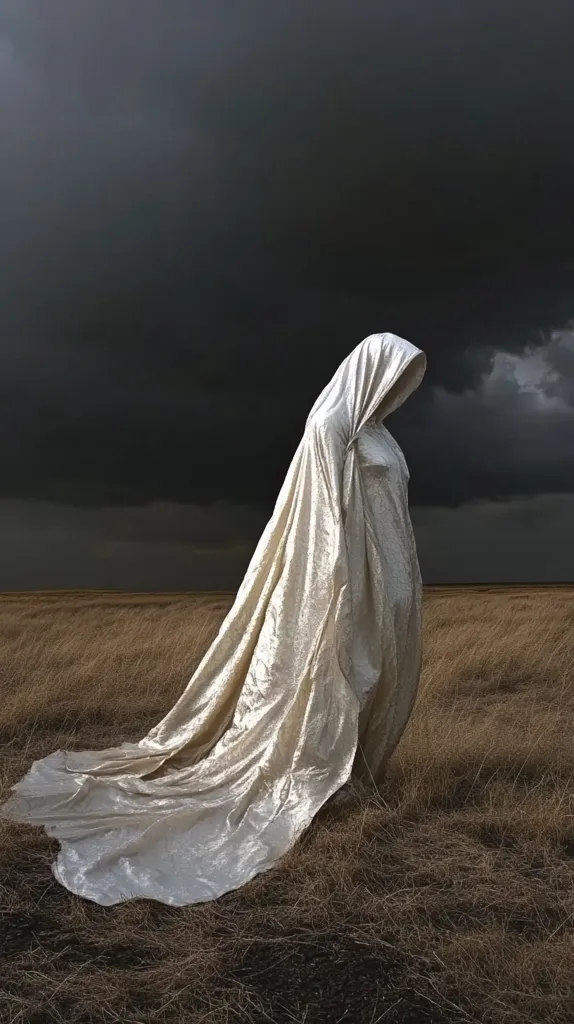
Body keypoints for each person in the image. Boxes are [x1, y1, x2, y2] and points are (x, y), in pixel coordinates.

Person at [0, 332, 426, 906]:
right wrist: (341, 591)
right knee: (340, 676)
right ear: (368, 368)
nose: (400, 386)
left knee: (378, 678)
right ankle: (307, 779)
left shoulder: (379, 434)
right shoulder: (331, 428)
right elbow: (322, 522)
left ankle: (350, 778)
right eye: (394, 371)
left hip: (389, 586)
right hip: (347, 581)